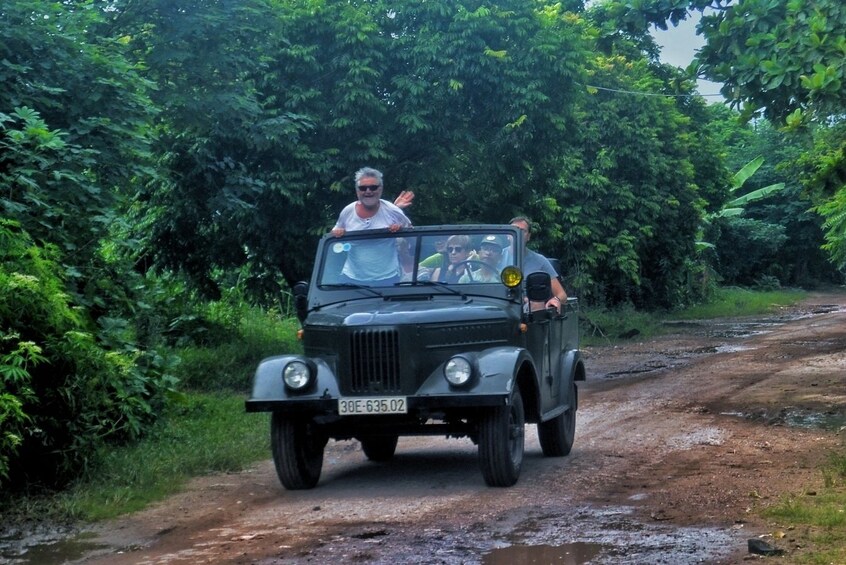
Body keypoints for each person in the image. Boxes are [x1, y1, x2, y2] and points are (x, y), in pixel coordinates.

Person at [330, 167, 412, 284]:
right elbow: (335, 236)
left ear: (381, 189)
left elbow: (411, 235)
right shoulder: (347, 211)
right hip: (352, 278)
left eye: (373, 187)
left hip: (387, 279)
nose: (368, 191)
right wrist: (338, 232)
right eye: (363, 188)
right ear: (357, 191)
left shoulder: (393, 210)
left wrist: (400, 229)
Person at [510, 216, 567, 311]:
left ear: (528, 236)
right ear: (508, 235)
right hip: (501, 306)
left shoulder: (540, 261)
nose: (518, 234)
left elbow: (562, 295)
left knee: (536, 303)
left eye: (522, 231)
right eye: (514, 231)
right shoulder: (497, 257)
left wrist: (555, 300)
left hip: (528, 312)